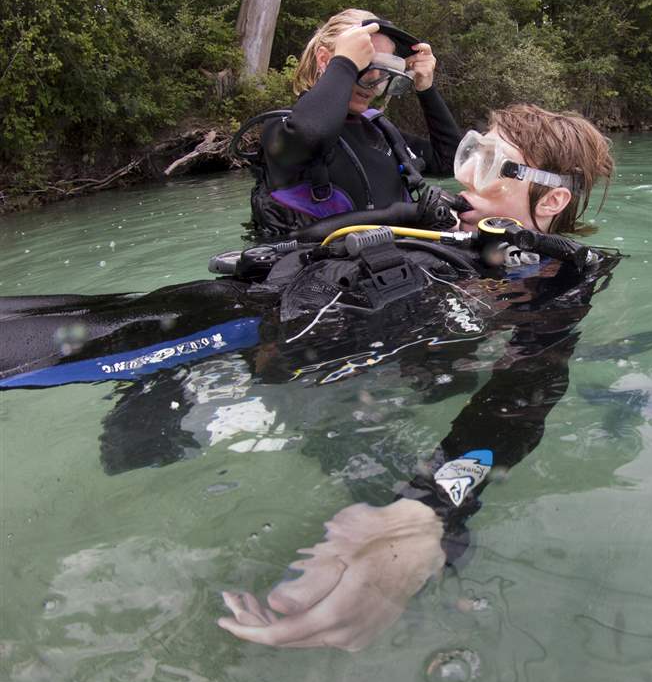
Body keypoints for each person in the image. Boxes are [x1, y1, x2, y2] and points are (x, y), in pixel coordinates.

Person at [0, 104, 616, 652]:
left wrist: (433, 508)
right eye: (469, 155)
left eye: (492, 166)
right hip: (227, 318)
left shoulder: (554, 275)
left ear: (551, 201)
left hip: (250, 341)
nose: (466, 178)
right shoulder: (443, 226)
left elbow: (525, 393)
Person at [242, 9, 463, 237]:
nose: (375, 81)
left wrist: (426, 89)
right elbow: (312, 132)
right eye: (364, 64)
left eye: (383, 70)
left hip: (402, 256)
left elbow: (451, 161)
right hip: (319, 259)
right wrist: (344, 63)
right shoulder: (282, 128)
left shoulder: (380, 131)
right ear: (325, 60)